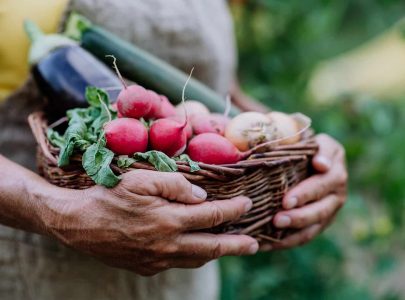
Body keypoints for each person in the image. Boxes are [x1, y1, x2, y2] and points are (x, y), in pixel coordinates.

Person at [0, 0, 348, 299]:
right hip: (37, 268)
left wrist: (300, 147)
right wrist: (60, 213)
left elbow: (222, 97)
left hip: (187, 284)